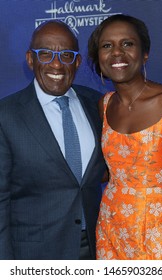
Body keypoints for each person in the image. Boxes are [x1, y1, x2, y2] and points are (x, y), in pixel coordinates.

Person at [0, 20, 106, 260]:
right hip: (34, 254)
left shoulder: (97, 104)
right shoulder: (5, 115)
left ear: (77, 62)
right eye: (45, 54)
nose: (56, 64)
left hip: (96, 247)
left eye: (66, 55)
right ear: (30, 59)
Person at [88, 14, 162, 260]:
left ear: (144, 53)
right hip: (111, 231)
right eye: (107, 46)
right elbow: (107, 168)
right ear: (98, 57)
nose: (117, 52)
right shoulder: (103, 106)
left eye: (127, 44)